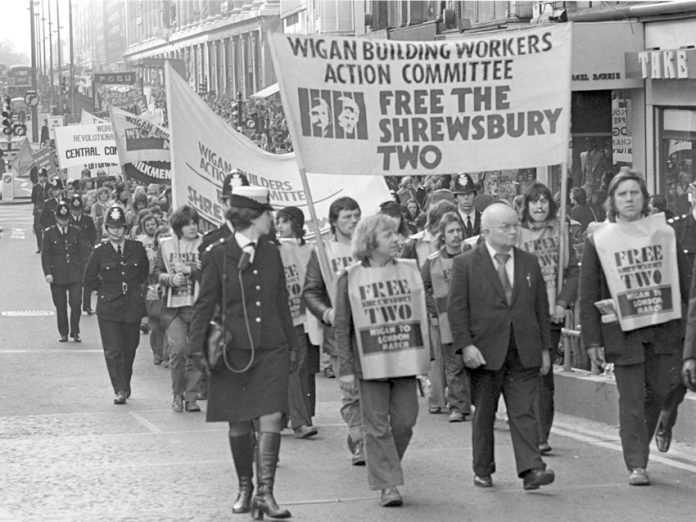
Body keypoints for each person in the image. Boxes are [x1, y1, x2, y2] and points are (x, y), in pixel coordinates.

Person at [189, 186, 299, 518]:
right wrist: (196, 351)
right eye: (268, 213)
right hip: (233, 352)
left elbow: (281, 302)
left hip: (271, 348)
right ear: (252, 216)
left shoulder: (272, 252)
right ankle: (245, 488)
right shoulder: (217, 254)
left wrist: (293, 345)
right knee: (238, 424)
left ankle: (266, 493)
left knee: (271, 417)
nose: (273, 219)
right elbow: (204, 304)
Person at [580, 169, 689, 485]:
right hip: (623, 332)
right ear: (612, 201)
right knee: (630, 399)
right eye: (622, 194)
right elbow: (589, 292)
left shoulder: (665, 234)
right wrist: (592, 340)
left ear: (644, 198)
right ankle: (637, 463)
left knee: (658, 391)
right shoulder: (599, 241)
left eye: (634, 193)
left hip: (664, 329)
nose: (628, 199)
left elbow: (685, 282)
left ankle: (655, 428)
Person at [448, 203, 556, 491]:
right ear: (486, 231)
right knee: (484, 413)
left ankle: (532, 469)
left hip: (523, 349)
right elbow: (456, 312)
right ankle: (483, 468)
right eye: (505, 227)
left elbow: (540, 309)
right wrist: (466, 346)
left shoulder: (529, 262)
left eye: (514, 225)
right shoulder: (466, 264)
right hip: (484, 353)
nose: (512, 231)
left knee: (524, 411)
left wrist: (545, 349)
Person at [334, 214, 427, 508]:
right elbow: (341, 325)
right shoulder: (350, 277)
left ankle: (385, 467)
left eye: (397, 234)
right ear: (371, 241)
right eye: (390, 235)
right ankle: (388, 485)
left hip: (403, 361)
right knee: (375, 427)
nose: (397, 240)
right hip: (368, 363)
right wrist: (346, 369)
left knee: (405, 420)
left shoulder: (410, 271)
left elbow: (421, 314)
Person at [302, 196, 365, 464]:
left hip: (370, 330)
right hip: (340, 335)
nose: (353, 221)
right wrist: (326, 312)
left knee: (373, 390)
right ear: (335, 222)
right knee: (351, 390)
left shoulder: (370, 247)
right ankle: (360, 437)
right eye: (346, 217)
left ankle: (372, 434)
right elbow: (311, 291)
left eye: (356, 215)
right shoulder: (324, 253)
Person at [518, 183, 579, 455]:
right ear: (527, 206)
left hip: (550, 316)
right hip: (521, 316)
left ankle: (542, 435)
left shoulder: (560, 233)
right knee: (524, 374)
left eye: (544, 201)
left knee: (544, 375)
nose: (540, 206)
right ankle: (526, 429)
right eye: (534, 201)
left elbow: (574, 272)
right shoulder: (516, 234)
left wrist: (563, 302)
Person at [83, 206, 150, 405]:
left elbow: (143, 273)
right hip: (109, 308)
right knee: (113, 350)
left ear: (126, 229)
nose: (116, 231)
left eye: (120, 227)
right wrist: (105, 290)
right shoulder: (99, 251)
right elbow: (89, 278)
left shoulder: (136, 249)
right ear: (106, 228)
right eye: (112, 227)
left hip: (131, 306)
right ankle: (119, 388)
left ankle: (125, 382)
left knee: (130, 349)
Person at [402, 198, 458, 416]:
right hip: (426, 305)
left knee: (453, 353)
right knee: (435, 354)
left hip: (450, 305)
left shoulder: (454, 243)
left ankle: (455, 397)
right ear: (435, 223)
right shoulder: (414, 244)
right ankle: (437, 398)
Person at [421, 212, 472, 423]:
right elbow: (422, 289)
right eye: (450, 231)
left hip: (473, 319)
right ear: (442, 235)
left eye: (458, 230)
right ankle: (458, 406)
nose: (455, 235)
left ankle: (473, 403)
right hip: (446, 321)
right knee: (454, 365)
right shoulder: (432, 262)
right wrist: (436, 308)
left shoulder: (473, 256)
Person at [156, 205, 205, 413]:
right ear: (179, 226)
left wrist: (190, 270)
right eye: (187, 224)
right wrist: (170, 279)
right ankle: (177, 393)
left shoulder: (204, 244)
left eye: (194, 223)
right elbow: (156, 272)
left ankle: (192, 396)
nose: (192, 227)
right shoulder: (166, 245)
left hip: (197, 306)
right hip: (173, 308)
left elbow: (211, 272)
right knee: (178, 351)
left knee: (196, 352)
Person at [276, 206, 318, 438]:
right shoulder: (274, 248)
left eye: (284, 221)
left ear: (296, 223)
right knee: (293, 367)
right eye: (277, 221)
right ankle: (300, 422)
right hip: (282, 318)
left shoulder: (309, 248)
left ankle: (283, 416)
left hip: (304, 317)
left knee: (301, 368)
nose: (279, 225)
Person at [41, 201, 87, 343]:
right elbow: (46, 255)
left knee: (76, 303)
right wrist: (48, 273)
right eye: (61, 219)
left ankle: (75, 331)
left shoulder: (76, 231)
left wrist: (82, 270)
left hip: (74, 274)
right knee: (60, 306)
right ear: (56, 218)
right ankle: (63, 332)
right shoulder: (49, 233)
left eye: (66, 219)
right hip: (57, 275)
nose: (64, 221)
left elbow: (82, 253)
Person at [198, 171, 249, 255]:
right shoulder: (211, 240)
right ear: (223, 203)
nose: (239, 206)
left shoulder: (263, 236)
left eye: (243, 200)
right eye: (234, 201)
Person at [69, 195, 98, 315]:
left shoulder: (88, 220)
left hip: (85, 254)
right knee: (75, 282)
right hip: (72, 254)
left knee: (87, 280)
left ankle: (87, 306)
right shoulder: (68, 220)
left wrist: (88, 246)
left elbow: (93, 235)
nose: (77, 211)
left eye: (79, 209)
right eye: (74, 209)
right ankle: (76, 305)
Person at [451, 173, 481, 239]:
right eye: (462, 194)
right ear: (455, 198)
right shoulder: (450, 221)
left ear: (475, 195)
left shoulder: (484, 219)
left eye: (469, 193)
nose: (466, 197)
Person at [31, 168, 49, 253]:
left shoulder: (50, 186)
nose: (40, 178)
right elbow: (33, 199)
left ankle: (47, 246)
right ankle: (39, 246)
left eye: (41, 176)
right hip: (38, 211)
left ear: (45, 177)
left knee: (47, 229)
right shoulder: (36, 187)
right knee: (38, 229)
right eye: (39, 176)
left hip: (48, 211)